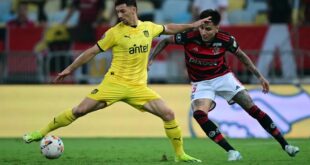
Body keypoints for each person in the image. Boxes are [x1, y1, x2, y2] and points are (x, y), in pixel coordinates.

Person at [23, 0, 211, 162]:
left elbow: (169, 28)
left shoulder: (148, 27)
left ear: (133, 9)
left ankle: (180, 155)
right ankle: (41, 132)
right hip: (114, 84)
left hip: (138, 88)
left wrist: (194, 25)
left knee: (169, 114)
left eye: (122, 11)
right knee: (79, 110)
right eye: (117, 12)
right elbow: (91, 52)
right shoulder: (114, 33)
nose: (119, 15)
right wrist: (70, 68)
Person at [149, 9, 300, 161]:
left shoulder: (225, 39)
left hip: (223, 78)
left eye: (208, 29)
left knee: (252, 108)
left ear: (217, 28)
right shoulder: (189, 36)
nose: (203, 32)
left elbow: (241, 56)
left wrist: (260, 76)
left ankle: (286, 145)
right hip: (201, 83)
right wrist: (151, 59)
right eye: (201, 27)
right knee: (199, 114)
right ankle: (231, 151)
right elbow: (165, 40)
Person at [255, 0, 297, 83]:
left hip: (278, 25)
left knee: (271, 52)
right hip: (279, 25)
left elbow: (279, 10)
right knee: (285, 53)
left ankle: (259, 77)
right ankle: (290, 76)